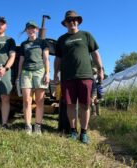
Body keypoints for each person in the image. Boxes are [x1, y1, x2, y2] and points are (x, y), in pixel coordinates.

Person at [54, 10, 104, 144]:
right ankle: (73, 131)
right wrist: (55, 74)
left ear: (78, 21)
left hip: (85, 75)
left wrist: (100, 69)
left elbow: (95, 54)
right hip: (67, 77)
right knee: (70, 105)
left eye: (74, 20)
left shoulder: (86, 35)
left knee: (85, 105)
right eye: (69, 20)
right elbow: (57, 59)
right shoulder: (61, 39)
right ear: (65, 23)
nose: (72, 22)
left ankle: (84, 133)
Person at [17, 21, 50, 134]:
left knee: (39, 101)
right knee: (27, 101)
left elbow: (46, 58)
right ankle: (27, 126)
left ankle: (38, 126)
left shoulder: (42, 42)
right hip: (26, 72)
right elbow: (21, 61)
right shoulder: (23, 44)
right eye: (29, 29)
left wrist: (47, 73)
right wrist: (19, 75)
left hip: (40, 72)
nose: (31, 30)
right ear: (26, 30)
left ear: (37, 30)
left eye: (33, 28)